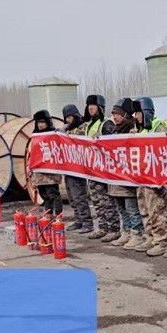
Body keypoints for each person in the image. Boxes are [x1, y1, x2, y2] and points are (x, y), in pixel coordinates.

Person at [133, 96, 167, 256]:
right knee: (145, 210)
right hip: (142, 178)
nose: (136, 116)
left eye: (138, 112)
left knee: (157, 212)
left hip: (155, 180)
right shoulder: (141, 130)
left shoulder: (158, 127)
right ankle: (150, 237)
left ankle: (161, 241)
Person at [106, 98, 146, 249]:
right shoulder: (114, 131)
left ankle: (137, 234)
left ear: (125, 115)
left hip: (127, 179)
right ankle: (126, 232)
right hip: (115, 179)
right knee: (122, 210)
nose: (114, 117)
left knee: (132, 209)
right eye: (113, 114)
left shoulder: (131, 130)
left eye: (117, 114)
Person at [83, 94, 122, 241]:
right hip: (92, 170)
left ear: (99, 107)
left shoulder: (106, 123)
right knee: (96, 201)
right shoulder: (89, 125)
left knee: (106, 200)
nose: (90, 108)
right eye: (89, 105)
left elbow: (111, 145)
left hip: (103, 170)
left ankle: (114, 228)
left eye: (93, 105)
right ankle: (103, 227)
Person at [62, 103, 94, 233]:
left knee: (79, 197)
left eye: (70, 117)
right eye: (66, 118)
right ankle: (78, 220)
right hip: (69, 168)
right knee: (72, 197)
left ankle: (87, 222)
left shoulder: (83, 127)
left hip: (79, 169)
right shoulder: (67, 130)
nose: (68, 120)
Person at [30, 110, 63, 216]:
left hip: (50, 172)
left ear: (48, 122)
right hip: (39, 172)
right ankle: (48, 215)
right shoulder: (35, 137)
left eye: (42, 122)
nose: (40, 125)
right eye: (38, 122)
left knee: (53, 194)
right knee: (45, 195)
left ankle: (58, 216)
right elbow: (32, 154)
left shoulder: (54, 135)